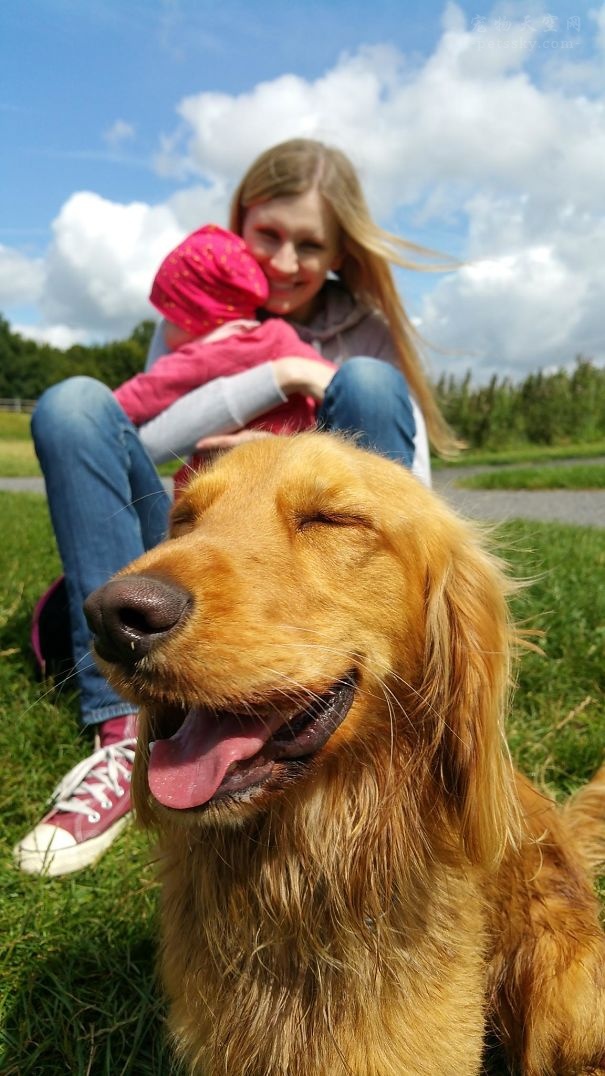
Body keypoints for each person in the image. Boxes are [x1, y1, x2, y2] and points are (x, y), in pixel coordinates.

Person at [14, 138, 458, 877]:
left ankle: (379, 701)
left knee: (371, 386)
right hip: (206, 534)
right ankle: (121, 731)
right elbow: (144, 438)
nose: (285, 261)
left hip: (309, 573)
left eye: (309, 244)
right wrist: (271, 377)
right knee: (71, 406)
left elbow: (408, 498)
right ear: (239, 225)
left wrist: (300, 430)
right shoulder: (197, 314)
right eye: (269, 236)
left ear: (342, 249)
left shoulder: (366, 330)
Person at [113, 223, 336, 492]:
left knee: (189, 483)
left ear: (197, 317)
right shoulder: (278, 335)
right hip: (297, 472)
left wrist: (101, 414)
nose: (164, 327)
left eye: (171, 317)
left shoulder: (202, 356)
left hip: (228, 480)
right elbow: (332, 382)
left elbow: (144, 393)